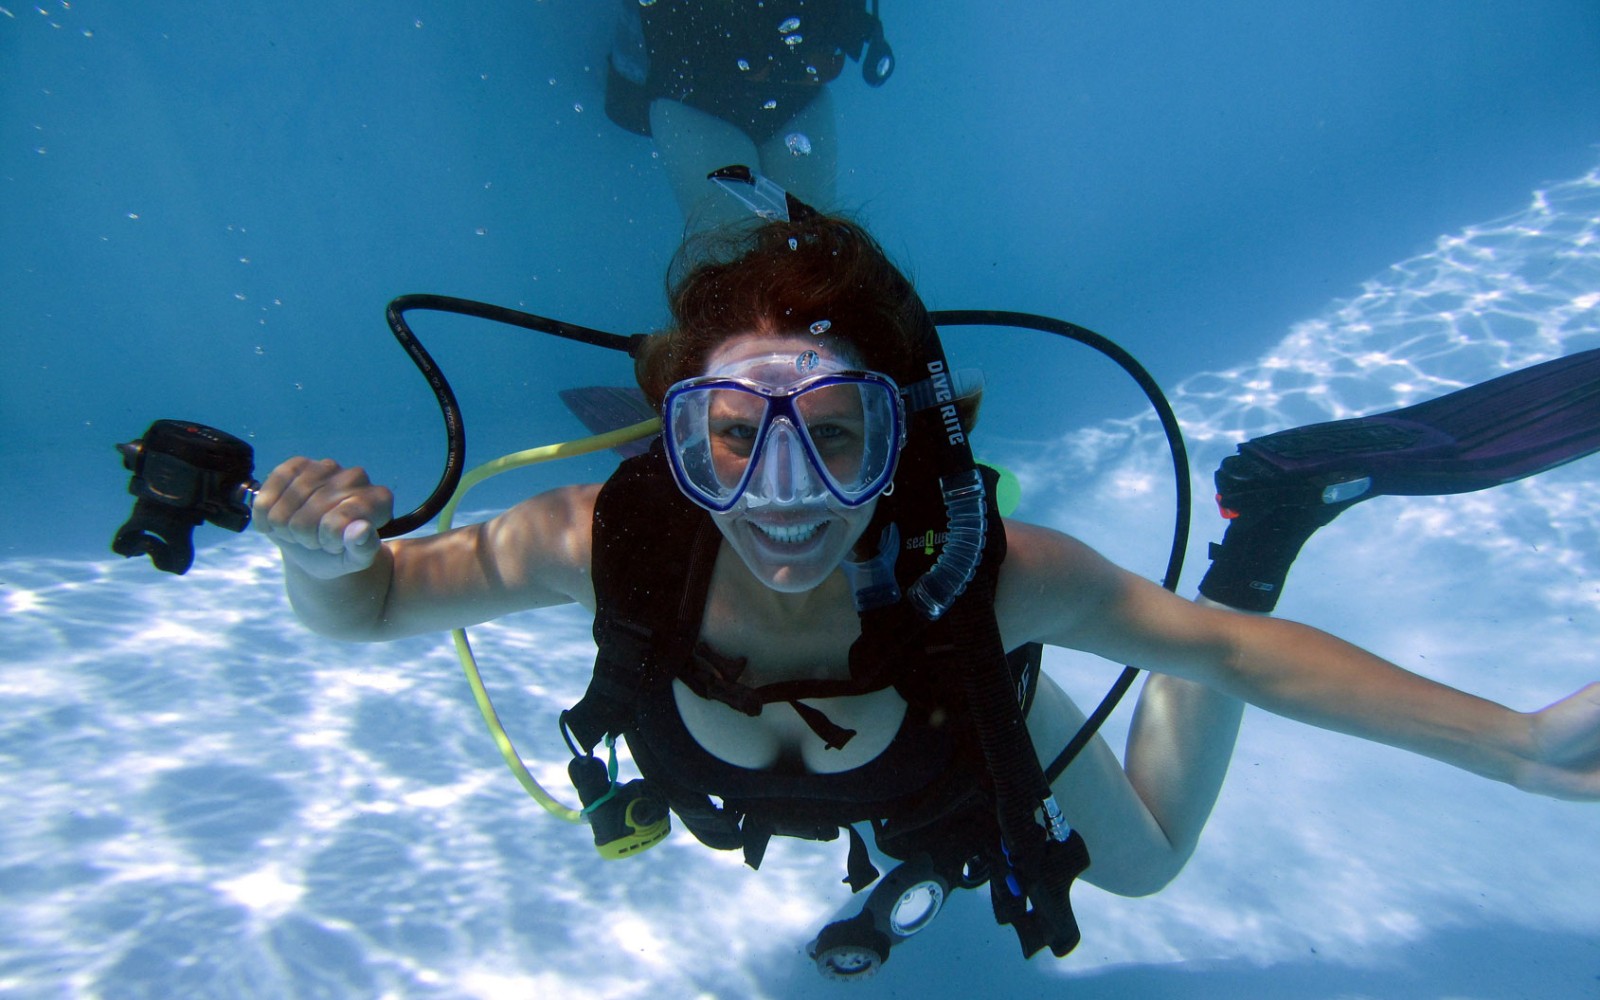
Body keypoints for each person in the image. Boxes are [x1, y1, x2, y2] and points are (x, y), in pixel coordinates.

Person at [254, 202, 1600, 967]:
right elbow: (369, 611)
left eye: (833, 435)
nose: (784, 495)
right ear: (684, 431)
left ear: (894, 439)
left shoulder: (988, 578)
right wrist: (321, 563)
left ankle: (1266, 521)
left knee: (1142, 866)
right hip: (889, 783)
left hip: (962, 716)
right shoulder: (606, 544)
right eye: (736, 435)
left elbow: (1228, 659)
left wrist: (1519, 747)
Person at [604, 0, 893, 225]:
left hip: (790, 100)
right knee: (739, 262)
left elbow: (831, 60)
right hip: (694, 101)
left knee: (813, 260)